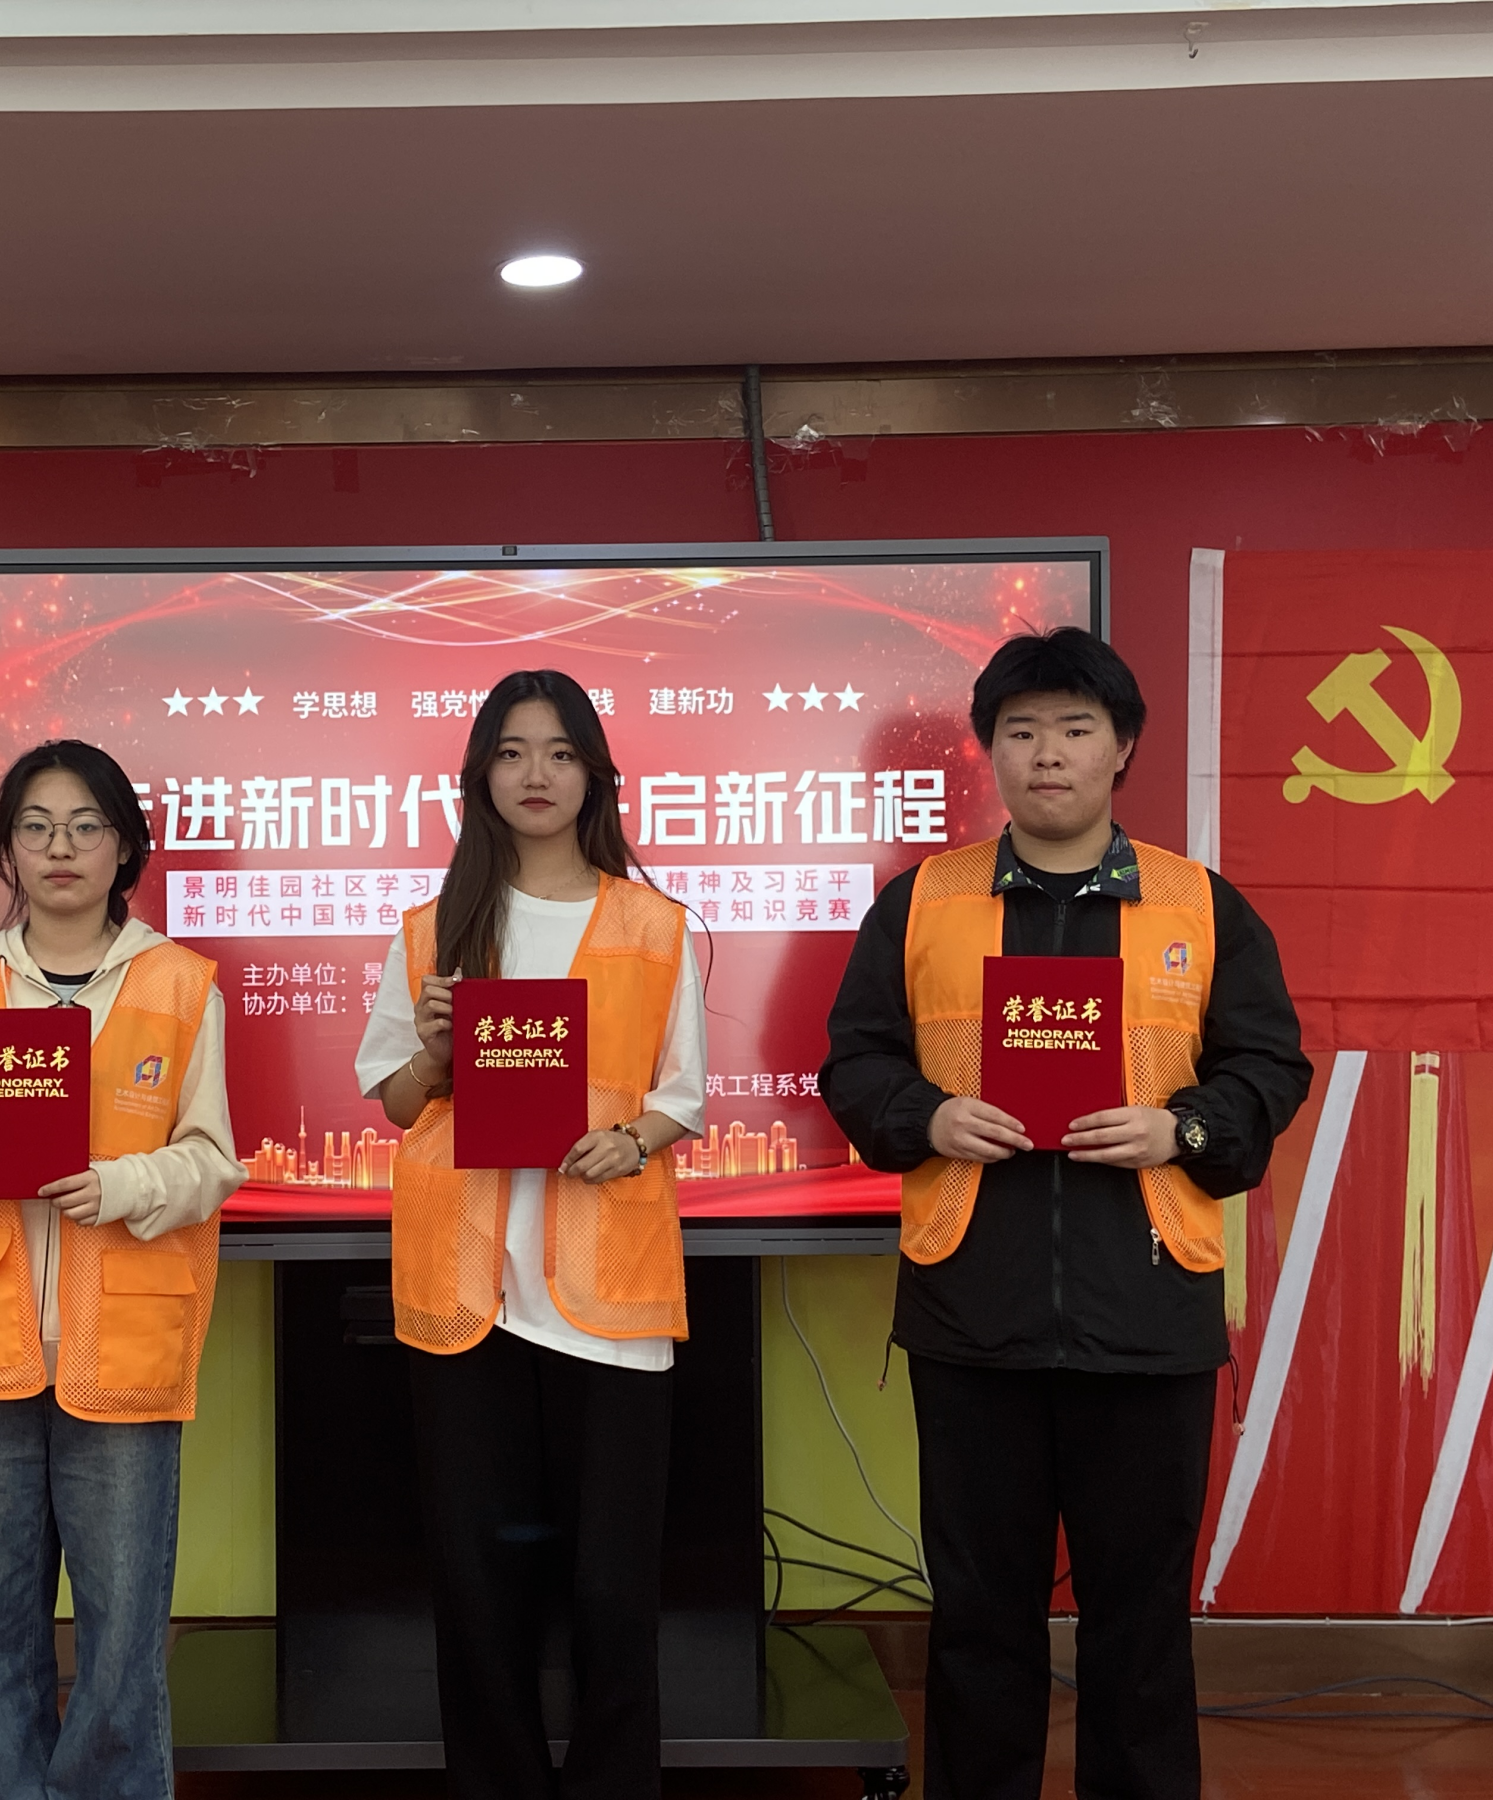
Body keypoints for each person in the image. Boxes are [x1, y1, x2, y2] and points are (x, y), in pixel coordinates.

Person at [820, 629, 1311, 1800]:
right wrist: (930, 1116)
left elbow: (1269, 1067)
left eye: (1076, 729)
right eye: (1023, 730)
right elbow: (854, 1061)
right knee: (978, 1616)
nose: (1048, 753)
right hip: (971, 1311)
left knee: (1139, 1622)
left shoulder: (1200, 905)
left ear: (1122, 747)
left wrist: (1181, 1130)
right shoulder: (921, 905)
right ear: (991, 750)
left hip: (1145, 1311)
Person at [355, 668, 706, 1800]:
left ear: (594, 773)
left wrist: (633, 1139)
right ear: (480, 777)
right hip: (469, 1294)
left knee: (613, 1587)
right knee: (476, 1587)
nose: (536, 774)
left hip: (609, 1293)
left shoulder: (656, 924)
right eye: (511, 753)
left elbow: (684, 1097)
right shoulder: (432, 929)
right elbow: (398, 1101)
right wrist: (434, 1054)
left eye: (559, 752)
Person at [0, 739, 246, 1800]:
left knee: (124, 1636)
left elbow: (213, 1160)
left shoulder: (181, 986)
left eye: (86, 826)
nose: (61, 848)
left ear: (124, 846)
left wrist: (123, 1183)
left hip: (123, 1347)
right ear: (7, 850)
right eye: (36, 827)